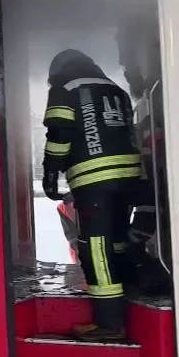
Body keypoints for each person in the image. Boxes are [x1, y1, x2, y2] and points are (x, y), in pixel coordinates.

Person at [41, 49, 143, 341]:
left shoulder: (65, 89)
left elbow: (59, 136)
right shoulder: (116, 90)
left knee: (96, 248)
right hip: (129, 177)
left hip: (94, 179)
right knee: (117, 241)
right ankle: (127, 296)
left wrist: (51, 173)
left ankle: (109, 323)